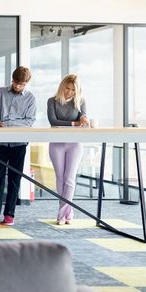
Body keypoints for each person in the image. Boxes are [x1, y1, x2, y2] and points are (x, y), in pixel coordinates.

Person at [0, 66, 36, 227]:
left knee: (14, 180)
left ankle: (9, 215)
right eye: (16, 83)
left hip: (19, 143)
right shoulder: (1, 92)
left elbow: (29, 122)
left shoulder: (30, 98)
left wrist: (5, 124)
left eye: (21, 84)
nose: (17, 86)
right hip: (0, 142)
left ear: (26, 83)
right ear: (12, 80)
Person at [48, 74, 89, 225]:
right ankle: (68, 211)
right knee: (60, 179)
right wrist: (74, 123)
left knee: (69, 179)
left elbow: (84, 119)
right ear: (62, 86)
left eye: (73, 90)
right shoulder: (52, 101)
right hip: (56, 144)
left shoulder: (81, 102)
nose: (69, 92)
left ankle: (61, 214)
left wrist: (84, 120)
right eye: (67, 88)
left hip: (75, 144)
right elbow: (53, 121)